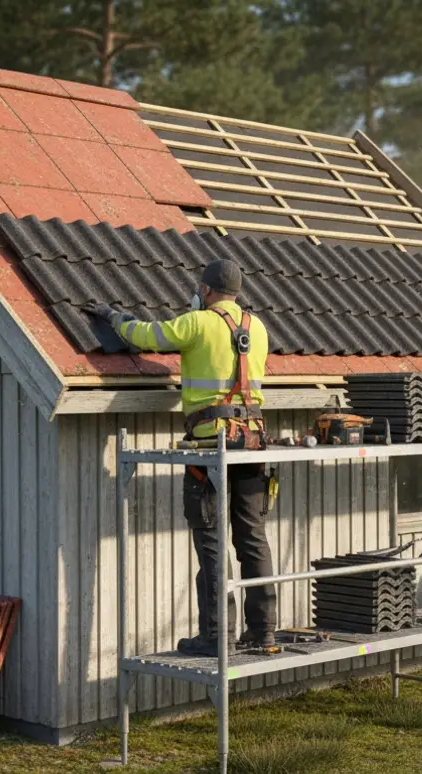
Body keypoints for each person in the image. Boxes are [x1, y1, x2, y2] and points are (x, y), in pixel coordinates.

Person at [93, 259, 277, 656]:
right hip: (252, 444)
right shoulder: (258, 328)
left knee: (211, 541)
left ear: (206, 290)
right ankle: (263, 632)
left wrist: (114, 317)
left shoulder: (197, 322)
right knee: (252, 538)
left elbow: (146, 336)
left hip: (210, 447)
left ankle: (216, 636)